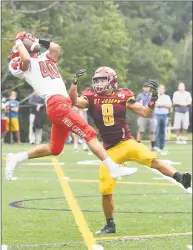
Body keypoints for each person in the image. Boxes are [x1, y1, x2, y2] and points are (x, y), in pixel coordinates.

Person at [69, 66, 192, 235]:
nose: (99, 83)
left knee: (151, 158)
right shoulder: (91, 95)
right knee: (106, 189)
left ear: (112, 80)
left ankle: (179, 177)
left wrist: (153, 97)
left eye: (102, 80)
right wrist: (74, 83)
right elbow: (74, 101)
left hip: (127, 142)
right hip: (109, 150)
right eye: (97, 80)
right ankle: (109, 224)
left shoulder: (123, 94)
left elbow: (145, 112)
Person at [5, 31, 134, 181]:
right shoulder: (16, 63)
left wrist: (38, 40)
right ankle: (113, 168)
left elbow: (56, 48)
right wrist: (20, 42)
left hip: (62, 104)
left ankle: (16, 158)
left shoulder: (43, 58)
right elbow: (25, 59)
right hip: (56, 104)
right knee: (89, 133)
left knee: (55, 148)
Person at [136, 82, 157, 150]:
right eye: (145, 87)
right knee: (141, 131)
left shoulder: (152, 95)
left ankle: (153, 147)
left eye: (147, 87)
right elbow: (138, 105)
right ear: (143, 88)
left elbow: (155, 104)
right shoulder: (140, 96)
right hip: (142, 115)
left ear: (149, 88)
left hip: (151, 115)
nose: (146, 88)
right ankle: (138, 147)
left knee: (152, 132)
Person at [154, 85, 172, 153]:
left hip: (165, 115)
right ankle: (156, 146)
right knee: (157, 130)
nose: (161, 90)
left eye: (162, 89)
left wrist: (161, 104)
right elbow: (155, 105)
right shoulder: (155, 96)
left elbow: (169, 105)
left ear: (164, 90)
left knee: (163, 131)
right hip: (157, 115)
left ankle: (161, 146)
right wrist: (164, 104)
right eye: (160, 89)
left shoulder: (167, 97)